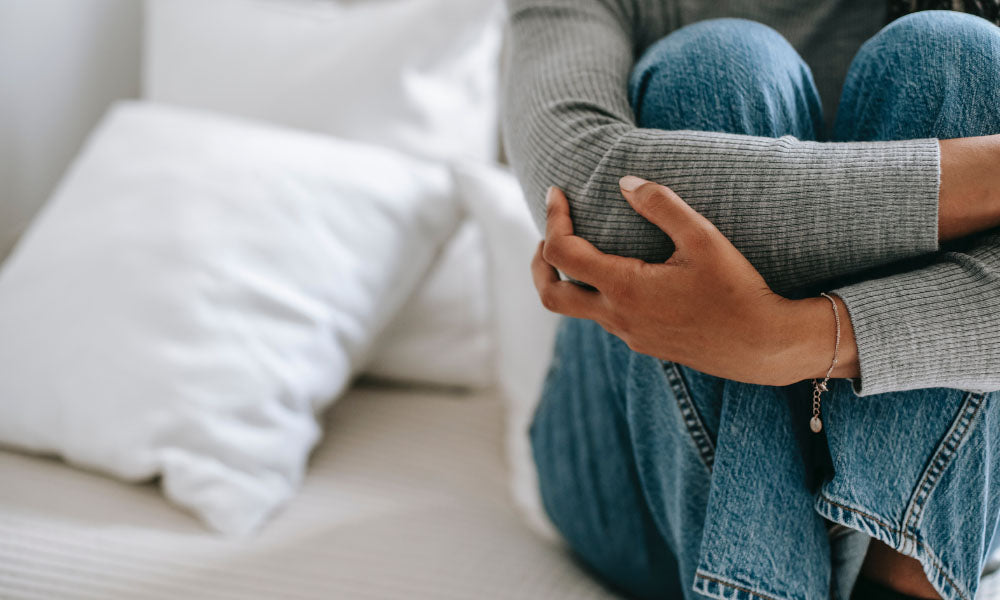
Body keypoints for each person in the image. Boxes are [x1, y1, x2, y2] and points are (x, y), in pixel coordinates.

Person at [500, 1, 1000, 599]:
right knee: (717, 69)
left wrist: (791, 339)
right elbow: (591, 204)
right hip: (633, 469)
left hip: (929, 520)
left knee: (958, 55)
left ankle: (897, 583)